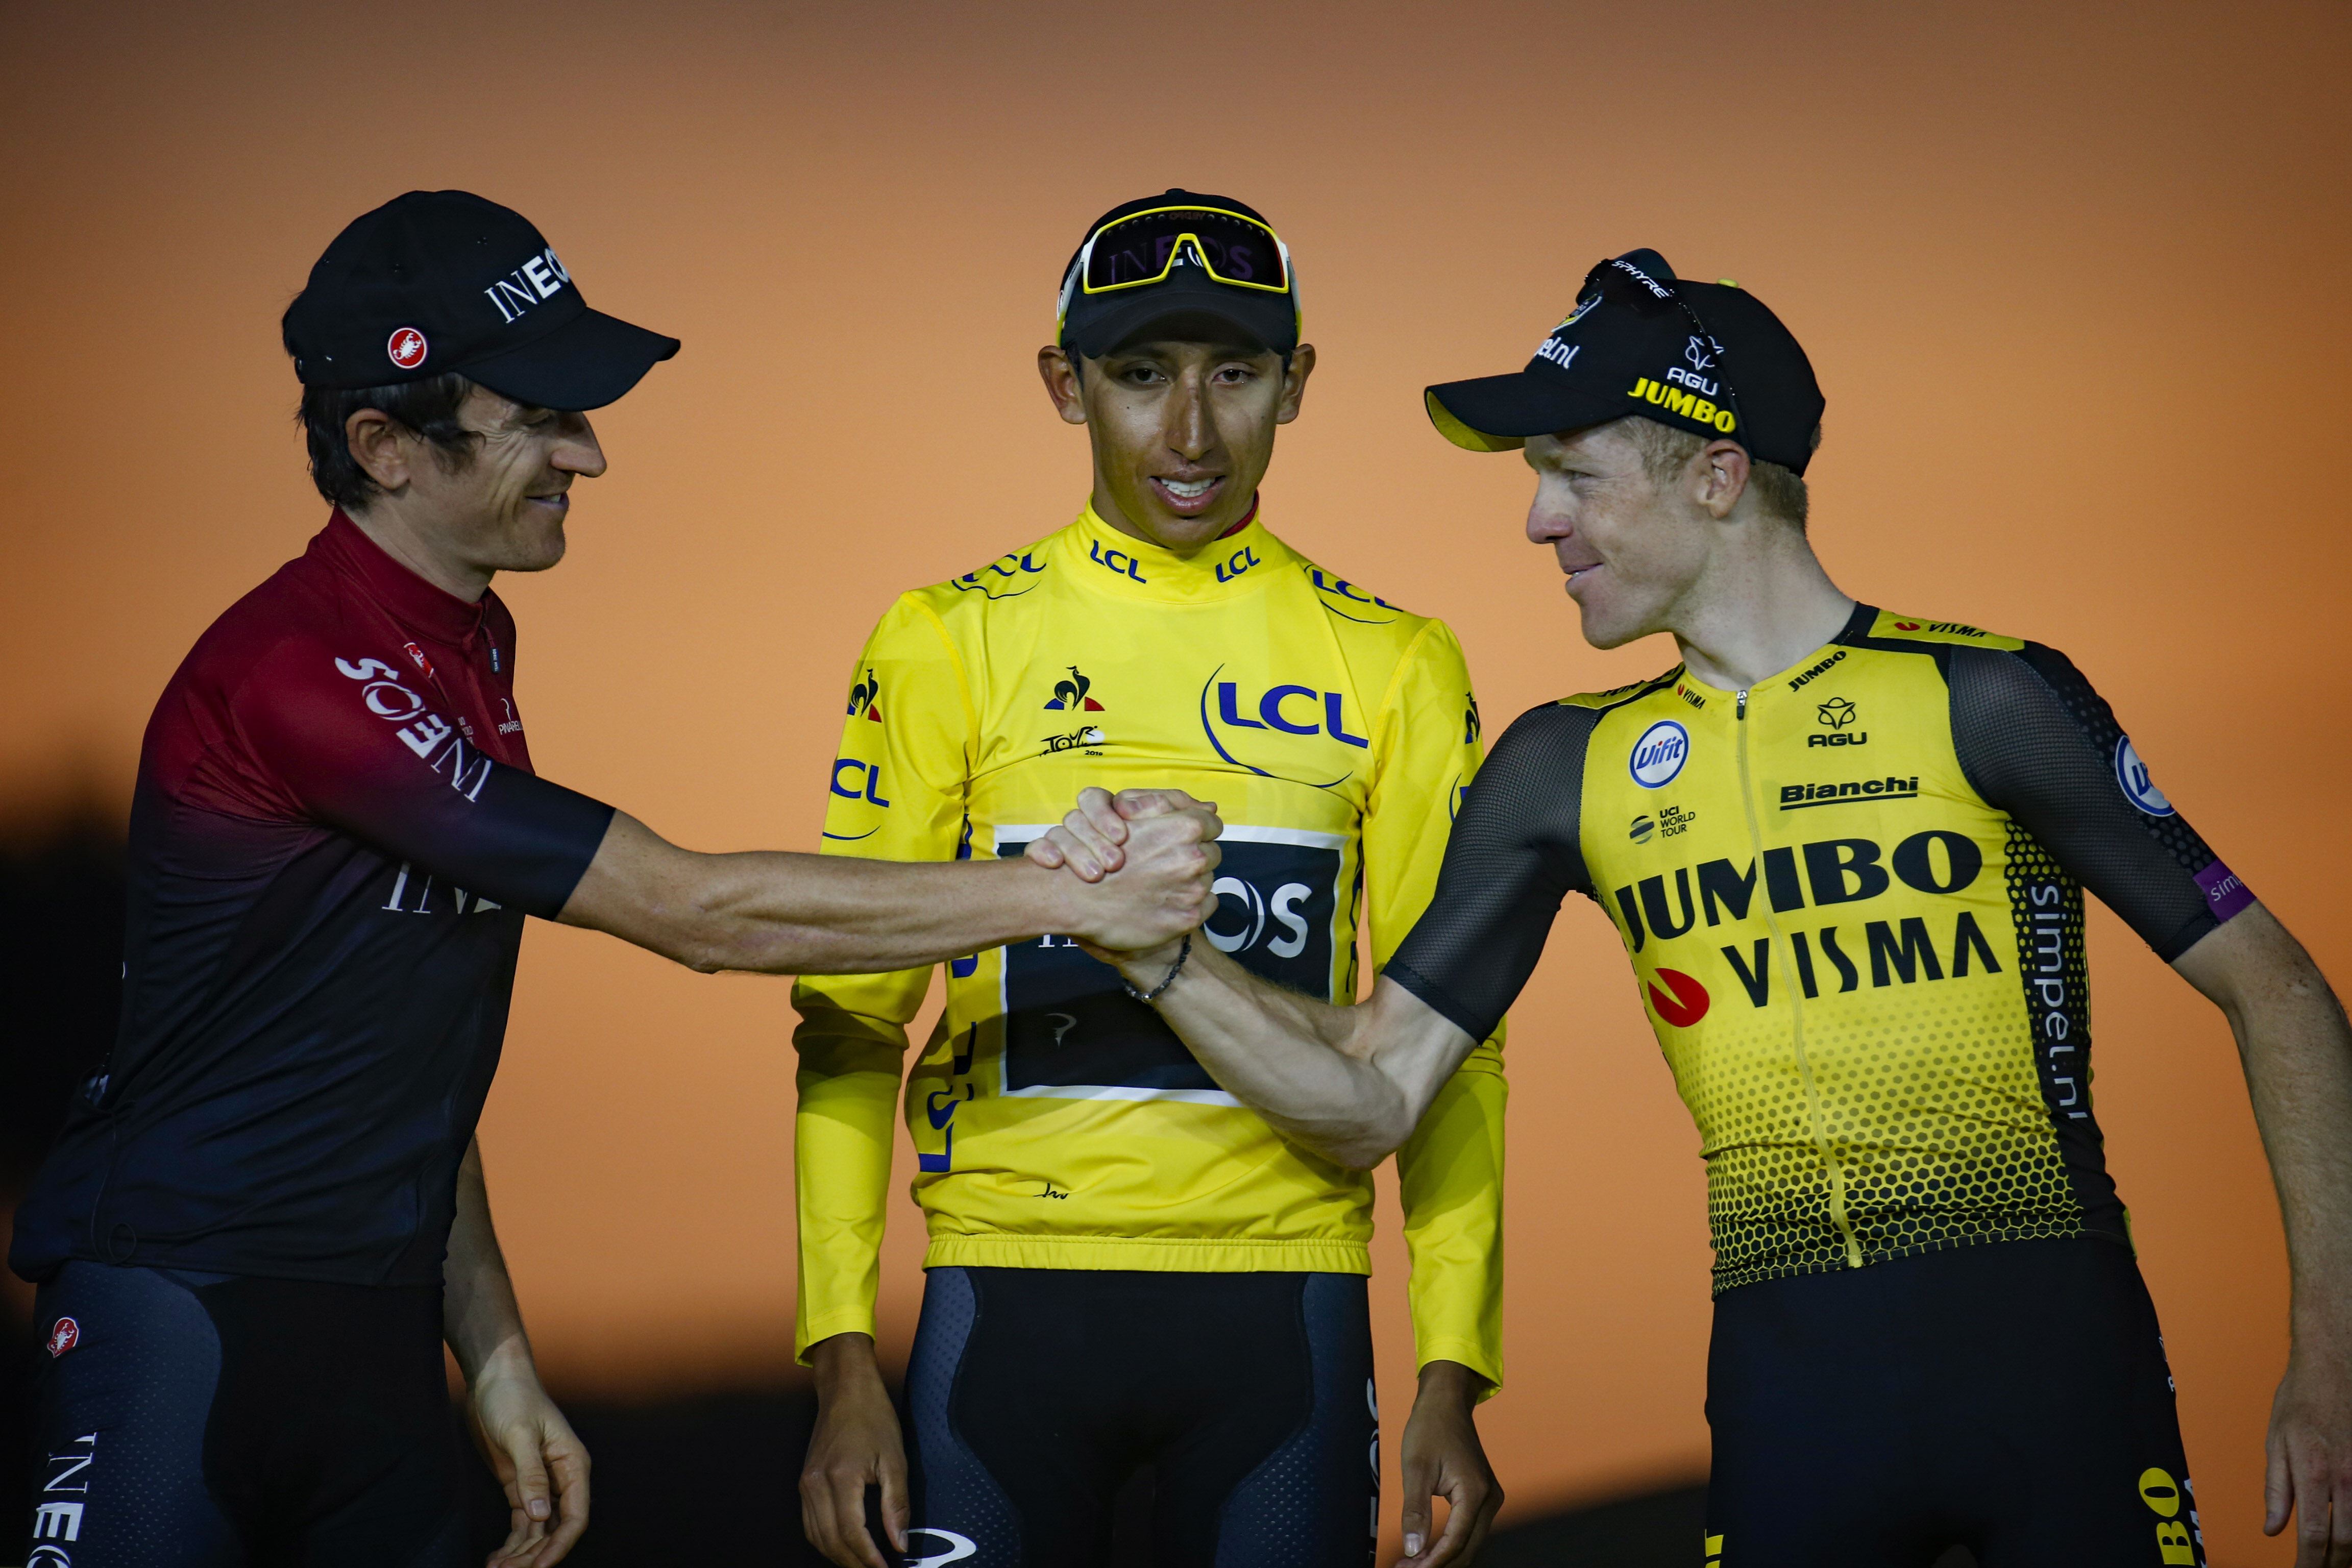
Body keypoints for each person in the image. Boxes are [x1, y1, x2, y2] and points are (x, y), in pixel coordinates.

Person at [1037, 248, 2352, 1567]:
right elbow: (1372, 1102)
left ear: (1717, 475)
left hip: (2056, 1375)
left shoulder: (1989, 699)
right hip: (1793, 1405)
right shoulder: (1565, 767)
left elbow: (2280, 988)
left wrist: (2334, 1355)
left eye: (1573, 474)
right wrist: (1164, 959)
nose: (1540, 523)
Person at [10, 189, 1219, 1568]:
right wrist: (1068, 896)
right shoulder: (297, 673)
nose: (588, 453)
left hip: (378, 1345)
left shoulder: (469, 646)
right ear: (384, 447)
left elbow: (398, 1050)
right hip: (181, 1320)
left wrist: (500, 1354)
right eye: (542, 416)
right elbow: (694, 909)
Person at [792, 190, 1506, 1568]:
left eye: (1235, 376)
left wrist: (1454, 1370)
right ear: (1066, 385)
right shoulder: (946, 638)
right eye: (1140, 377)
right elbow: (851, 1020)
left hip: (1283, 1306)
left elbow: (1456, 1049)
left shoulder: (1401, 660)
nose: (1190, 434)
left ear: (1297, 385)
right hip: (1001, 1302)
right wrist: (839, 1363)